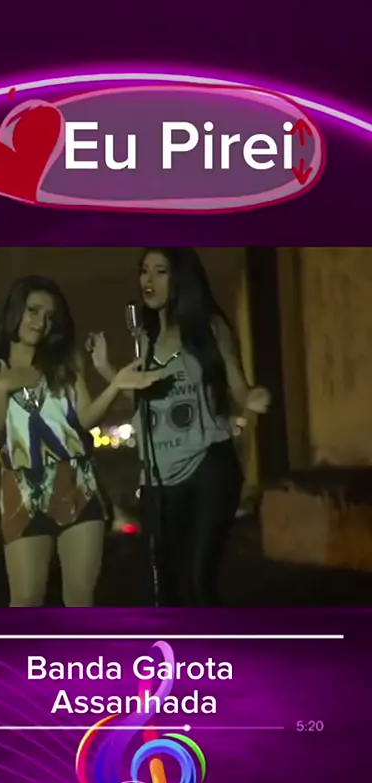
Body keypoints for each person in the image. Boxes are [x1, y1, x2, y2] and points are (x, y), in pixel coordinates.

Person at [88, 248, 271, 606]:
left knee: (198, 582)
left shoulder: (210, 328)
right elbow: (145, 399)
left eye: (160, 271)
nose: (148, 280)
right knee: (165, 589)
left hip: (208, 465)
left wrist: (253, 397)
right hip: (159, 474)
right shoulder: (146, 337)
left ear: (181, 279)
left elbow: (238, 386)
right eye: (144, 271)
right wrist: (107, 369)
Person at [0, 274, 161, 607]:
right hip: (22, 493)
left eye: (49, 316)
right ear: (15, 310)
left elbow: (84, 420)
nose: (40, 322)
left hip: (78, 486)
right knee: (26, 599)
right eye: (33, 310)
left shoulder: (64, 361)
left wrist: (116, 385)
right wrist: (1, 387)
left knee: (80, 600)